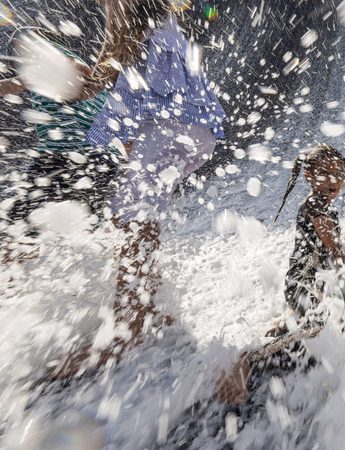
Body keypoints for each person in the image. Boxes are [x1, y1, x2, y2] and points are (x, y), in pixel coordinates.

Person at [52, 0, 225, 377]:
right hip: (193, 127)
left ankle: (127, 329)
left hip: (170, 127)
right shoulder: (159, 15)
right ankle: (144, 307)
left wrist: (63, 83)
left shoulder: (123, 4)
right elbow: (123, 67)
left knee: (134, 216)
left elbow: (106, 69)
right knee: (137, 214)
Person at [217, 144, 345, 404]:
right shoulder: (316, 205)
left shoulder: (322, 204)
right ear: (309, 176)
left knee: (312, 317)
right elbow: (334, 248)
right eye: (324, 172)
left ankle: (284, 320)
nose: (333, 180)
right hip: (304, 281)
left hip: (308, 279)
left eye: (339, 174)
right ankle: (248, 359)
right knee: (313, 324)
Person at [0, 28, 117, 261]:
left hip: (66, 158)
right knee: (96, 231)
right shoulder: (50, 68)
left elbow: (16, 84)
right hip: (100, 160)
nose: (18, 49)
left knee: (14, 229)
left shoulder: (53, 61)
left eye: (23, 43)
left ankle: (11, 283)